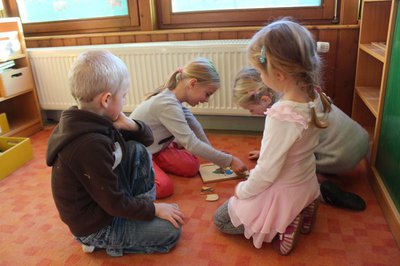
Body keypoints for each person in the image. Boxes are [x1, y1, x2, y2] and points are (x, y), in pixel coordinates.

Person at [46, 50, 184, 257]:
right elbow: (113, 202)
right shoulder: (88, 145)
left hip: (108, 202)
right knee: (170, 232)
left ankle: (137, 210)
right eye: (124, 95)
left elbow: (147, 140)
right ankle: (103, 242)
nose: (125, 100)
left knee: (136, 149)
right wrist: (154, 211)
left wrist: (131, 125)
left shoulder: (95, 118)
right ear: (106, 100)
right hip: (96, 225)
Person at [214, 18, 331, 255]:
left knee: (221, 220)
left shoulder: (281, 114)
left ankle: (286, 223)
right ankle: (306, 204)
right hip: (306, 180)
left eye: (259, 71)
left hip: (283, 190)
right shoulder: (315, 95)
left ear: (277, 75)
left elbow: (267, 171)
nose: (259, 76)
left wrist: (243, 191)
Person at [232, 67, 368, 211]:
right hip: (360, 143)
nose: (252, 114)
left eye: (251, 109)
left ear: (265, 99)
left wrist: (244, 189)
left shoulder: (284, 113)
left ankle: (320, 189)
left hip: (340, 157)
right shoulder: (301, 90)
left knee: (284, 169)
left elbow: (275, 162)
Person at [130, 57, 248, 199]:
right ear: (193, 83)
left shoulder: (175, 100)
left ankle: (156, 164)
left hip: (157, 148)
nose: (206, 100)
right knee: (164, 187)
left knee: (192, 166)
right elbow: (192, 144)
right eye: (207, 94)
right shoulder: (167, 104)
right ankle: (133, 175)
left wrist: (213, 153)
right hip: (140, 154)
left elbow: (195, 127)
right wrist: (230, 161)